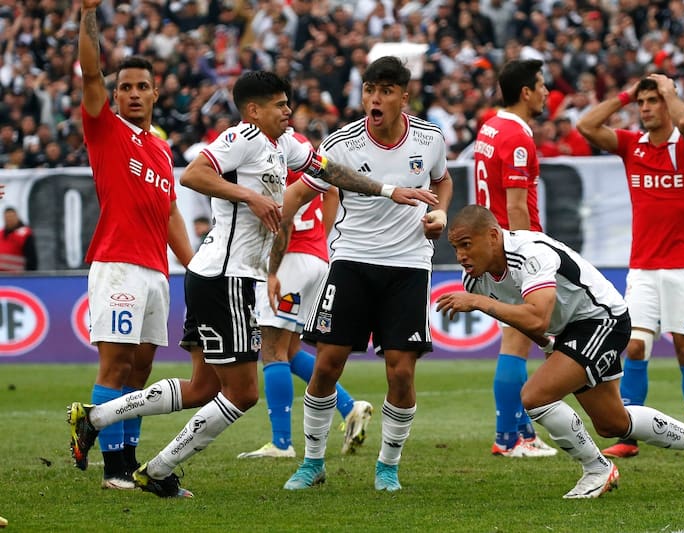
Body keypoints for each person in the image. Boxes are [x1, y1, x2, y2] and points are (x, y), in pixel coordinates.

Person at [68, 69, 437, 498]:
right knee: (243, 393)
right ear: (253, 110)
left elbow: (333, 171)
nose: (288, 110)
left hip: (227, 278)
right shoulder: (241, 137)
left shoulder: (289, 144)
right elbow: (194, 176)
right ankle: (158, 468)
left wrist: (389, 190)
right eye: (280, 105)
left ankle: (94, 419)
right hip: (225, 278)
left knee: (204, 388)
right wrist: (251, 196)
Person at [436, 205, 684, 498]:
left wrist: (479, 303)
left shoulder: (529, 255)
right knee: (613, 423)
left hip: (602, 320)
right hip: (570, 331)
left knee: (534, 396)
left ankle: (597, 469)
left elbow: (536, 316)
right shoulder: (476, 279)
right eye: (456, 248)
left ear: (492, 236)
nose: (461, 255)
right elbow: (530, 323)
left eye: (466, 244)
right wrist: (549, 346)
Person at [277, 56, 453, 492]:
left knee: (401, 373)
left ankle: (387, 467)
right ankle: (312, 463)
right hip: (352, 260)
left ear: (403, 98)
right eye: (370, 89)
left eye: (386, 91)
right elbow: (301, 190)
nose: (375, 98)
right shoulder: (341, 144)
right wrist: (270, 218)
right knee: (327, 365)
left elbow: (442, 180)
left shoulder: (430, 139)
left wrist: (440, 212)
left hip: (409, 265)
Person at [67, 0, 194, 490]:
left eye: (143, 86)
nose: (134, 94)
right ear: (114, 94)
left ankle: (130, 461)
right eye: (126, 87)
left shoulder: (161, 149)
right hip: (117, 265)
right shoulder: (104, 128)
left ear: (156, 93)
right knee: (115, 364)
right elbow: (89, 71)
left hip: (156, 272)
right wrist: (87, 16)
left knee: (140, 374)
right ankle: (112, 468)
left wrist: (196, 266)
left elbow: (170, 213)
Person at [576, 73, 684, 460]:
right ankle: (628, 435)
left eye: (654, 101)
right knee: (634, 347)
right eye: (643, 102)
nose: (646, 108)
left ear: (668, 102)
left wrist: (670, 91)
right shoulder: (632, 145)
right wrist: (624, 94)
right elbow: (586, 126)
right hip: (643, 266)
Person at [237, 131, 373, 460]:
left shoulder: (269, 148)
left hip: (289, 259)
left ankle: (281, 442)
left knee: (272, 349)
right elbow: (332, 190)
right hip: (314, 257)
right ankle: (349, 406)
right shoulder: (303, 145)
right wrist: (320, 241)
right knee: (291, 348)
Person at [472, 58, 557, 458]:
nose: (546, 92)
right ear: (526, 91)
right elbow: (517, 205)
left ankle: (520, 431)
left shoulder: (490, 126)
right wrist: (531, 250)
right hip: (512, 248)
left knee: (518, 339)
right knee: (516, 341)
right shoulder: (517, 138)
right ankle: (509, 438)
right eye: (541, 85)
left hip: (494, 245)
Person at [0, 207, 37, 271]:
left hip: (18, 277)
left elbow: (32, 259)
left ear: (17, 217)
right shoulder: (1, 234)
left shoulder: (24, 234)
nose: (9, 219)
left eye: (11, 217)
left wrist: (30, 276)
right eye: (7, 217)